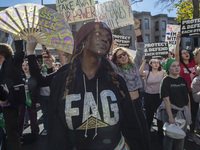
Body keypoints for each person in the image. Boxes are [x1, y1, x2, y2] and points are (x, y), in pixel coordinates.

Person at [26, 22, 145, 150]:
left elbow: (133, 129)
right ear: (83, 41)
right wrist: (30, 52)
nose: (105, 39)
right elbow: (56, 133)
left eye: (108, 38)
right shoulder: (61, 80)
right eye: (99, 34)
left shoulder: (117, 81)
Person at [110, 19, 151, 150]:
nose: (122, 57)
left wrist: (137, 29)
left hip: (138, 103)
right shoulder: (117, 70)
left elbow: (140, 47)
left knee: (144, 130)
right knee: (131, 133)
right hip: (126, 105)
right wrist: (110, 44)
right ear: (116, 60)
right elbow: (105, 58)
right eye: (119, 56)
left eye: (123, 54)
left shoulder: (135, 65)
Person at [157, 59, 191, 150]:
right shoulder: (166, 81)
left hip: (182, 112)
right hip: (170, 112)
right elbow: (166, 100)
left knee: (180, 136)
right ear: (169, 69)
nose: (176, 68)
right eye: (173, 66)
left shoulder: (183, 80)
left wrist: (189, 113)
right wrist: (170, 117)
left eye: (178, 65)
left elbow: (187, 98)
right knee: (170, 137)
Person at [175, 32, 200, 144]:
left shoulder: (193, 63)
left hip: (193, 93)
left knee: (194, 113)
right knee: (185, 113)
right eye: (183, 53)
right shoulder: (179, 64)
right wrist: (177, 40)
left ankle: (192, 133)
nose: (186, 54)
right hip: (184, 93)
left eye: (187, 52)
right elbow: (176, 54)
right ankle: (182, 134)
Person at [0, 40, 24, 150]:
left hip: (11, 102)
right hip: (3, 101)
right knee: (4, 131)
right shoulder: (2, 66)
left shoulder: (13, 61)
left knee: (11, 132)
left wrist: (18, 39)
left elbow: (19, 53)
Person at [139, 58, 165, 144]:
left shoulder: (162, 72)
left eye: (158, 62)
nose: (156, 64)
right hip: (148, 96)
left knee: (160, 118)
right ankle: (147, 138)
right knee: (149, 117)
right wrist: (143, 62)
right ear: (150, 64)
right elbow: (139, 73)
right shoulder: (147, 73)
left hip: (158, 96)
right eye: (154, 62)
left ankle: (161, 137)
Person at [18, 61, 39, 138]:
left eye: (27, 65)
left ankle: (35, 132)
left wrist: (37, 101)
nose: (25, 67)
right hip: (22, 100)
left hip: (32, 99)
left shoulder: (34, 77)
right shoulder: (20, 77)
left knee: (33, 117)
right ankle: (19, 133)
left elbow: (37, 90)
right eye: (23, 65)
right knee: (20, 117)